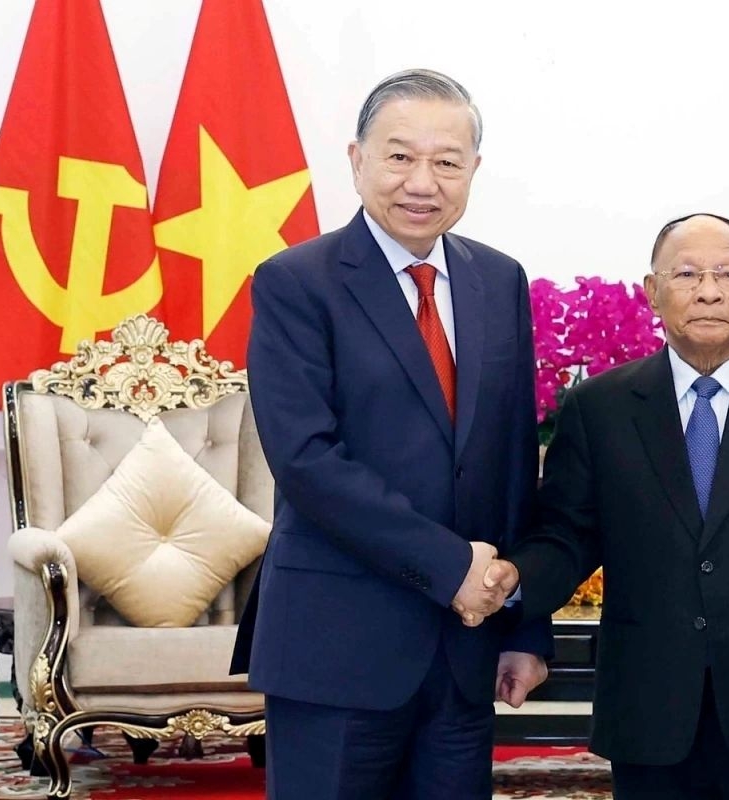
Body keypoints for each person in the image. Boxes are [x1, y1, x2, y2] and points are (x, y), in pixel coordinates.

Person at [483, 213, 729, 799]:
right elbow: (566, 536)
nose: (709, 290)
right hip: (651, 707)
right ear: (653, 291)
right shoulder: (601, 408)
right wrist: (512, 580)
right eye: (687, 273)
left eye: (728, 273)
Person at [230, 68, 551, 800]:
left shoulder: (498, 281)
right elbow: (308, 464)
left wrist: (522, 626)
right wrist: (453, 570)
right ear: (357, 160)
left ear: (473, 169)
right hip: (336, 644)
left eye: (446, 161)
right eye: (400, 155)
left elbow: (508, 464)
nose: (422, 181)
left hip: (464, 650)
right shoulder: (296, 282)